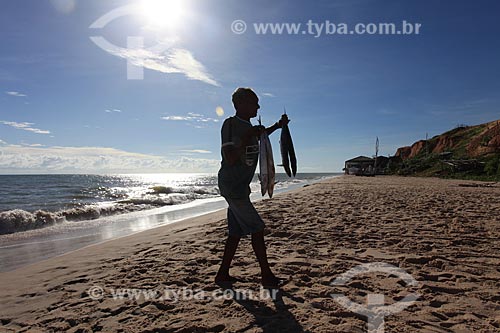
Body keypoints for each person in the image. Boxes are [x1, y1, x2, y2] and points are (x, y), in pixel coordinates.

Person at [215, 87, 288, 288]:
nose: (258, 106)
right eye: (254, 102)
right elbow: (229, 157)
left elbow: (262, 136)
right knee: (257, 227)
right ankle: (266, 275)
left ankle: (222, 274)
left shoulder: (250, 127)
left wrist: (278, 126)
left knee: (235, 232)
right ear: (240, 104)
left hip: (240, 187)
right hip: (232, 185)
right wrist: (247, 137)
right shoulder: (230, 124)